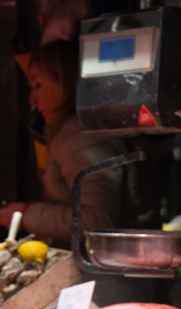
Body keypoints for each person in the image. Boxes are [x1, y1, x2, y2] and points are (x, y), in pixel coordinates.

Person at [3, 41, 147, 246]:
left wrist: (26, 215)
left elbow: (97, 221)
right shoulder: (62, 133)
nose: (32, 100)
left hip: (103, 264)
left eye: (38, 85)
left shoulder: (81, 138)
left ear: (65, 84)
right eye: (30, 87)